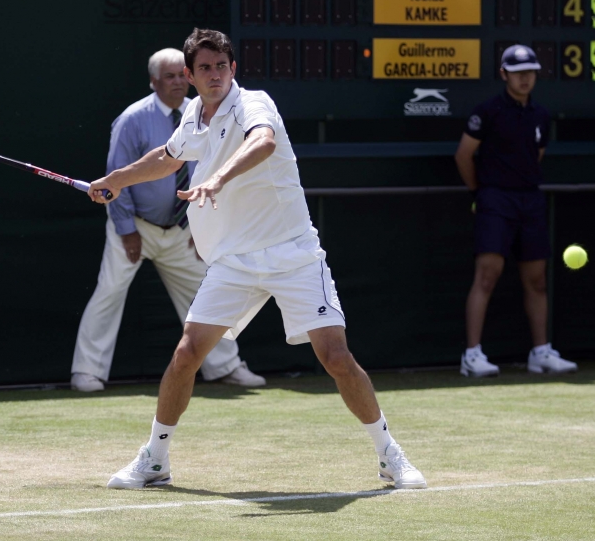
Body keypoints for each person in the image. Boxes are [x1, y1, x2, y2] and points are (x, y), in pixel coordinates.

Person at [87, 28, 426, 490]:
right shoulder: (192, 114)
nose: (214, 75)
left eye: (221, 66)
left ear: (233, 69)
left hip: (294, 255)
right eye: (204, 68)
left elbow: (263, 142)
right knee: (186, 354)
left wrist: (219, 178)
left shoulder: (254, 104)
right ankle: (155, 460)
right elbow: (168, 158)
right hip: (234, 262)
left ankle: (391, 456)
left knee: (336, 357)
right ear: (188, 75)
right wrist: (118, 179)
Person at [70, 48, 265, 393]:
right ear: (154, 82)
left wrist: (198, 226)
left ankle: (225, 366)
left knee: (206, 295)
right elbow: (117, 177)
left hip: (181, 230)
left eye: (181, 75)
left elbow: (207, 171)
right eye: (169, 76)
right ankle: (87, 372)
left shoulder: (202, 115)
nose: (177, 82)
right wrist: (127, 230)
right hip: (133, 228)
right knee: (108, 294)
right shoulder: (132, 119)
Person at [454, 44, 578, 378]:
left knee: (537, 280)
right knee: (487, 275)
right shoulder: (488, 111)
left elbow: (536, 155)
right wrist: (480, 192)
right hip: (495, 200)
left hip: (530, 201)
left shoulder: (540, 114)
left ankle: (540, 353)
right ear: (504, 74)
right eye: (519, 72)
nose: (525, 79)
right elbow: (464, 155)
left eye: (531, 73)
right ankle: (472, 355)